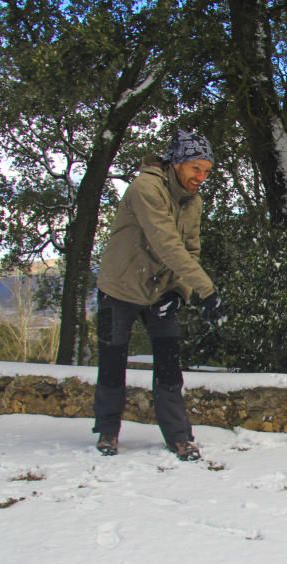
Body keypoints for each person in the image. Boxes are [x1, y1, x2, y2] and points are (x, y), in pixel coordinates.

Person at [92, 130, 225, 461]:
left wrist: (181, 291)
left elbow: (190, 250)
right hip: (119, 288)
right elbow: (166, 242)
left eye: (207, 171)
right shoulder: (145, 187)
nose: (201, 178)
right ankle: (108, 433)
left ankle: (179, 437)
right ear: (177, 163)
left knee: (169, 366)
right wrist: (207, 292)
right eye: (196, 168)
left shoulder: (193, 202)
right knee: (112, 363)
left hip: (159, 290)